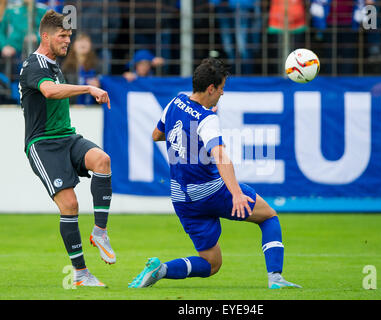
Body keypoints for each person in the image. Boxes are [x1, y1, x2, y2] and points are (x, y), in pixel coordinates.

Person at [128, 58, 301, 290]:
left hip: (182, 199)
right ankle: (276, 279)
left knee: (212, 264)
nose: (221, 94)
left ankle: (162, 269)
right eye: (221, 89)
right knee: (268, 216)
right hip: (211, 192)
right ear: (211, 88)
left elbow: (156, 135)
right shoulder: (207, 119)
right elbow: (220, 157)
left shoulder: (176, 101)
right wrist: (236, 193)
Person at [19, 10, 115, 287]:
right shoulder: (34, 65)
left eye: (69, 36)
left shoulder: (54, 64)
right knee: (70, 204)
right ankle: (81, 274)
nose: (67, 41)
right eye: (62, 36)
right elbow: (49, 92)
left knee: (102, 160)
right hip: (43, 144)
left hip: (67, 136)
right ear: (45, 36)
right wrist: (87, 88)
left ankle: (100, 232)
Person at [62, 33, 100, 105]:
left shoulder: (97, 65)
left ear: (90, 45)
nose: (83, 43)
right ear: (74, 45)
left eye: (86, 41)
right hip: (72, 107)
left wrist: (99, 84)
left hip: (93, 108)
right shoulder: (66, 66)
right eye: (80, 40)